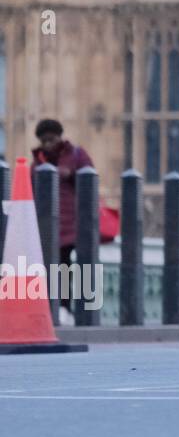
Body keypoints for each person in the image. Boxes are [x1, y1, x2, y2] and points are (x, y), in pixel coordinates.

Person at [31, 119, 94, 321]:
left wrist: (70, 174)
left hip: (77, 221)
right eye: (44, 140)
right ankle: (60, 309)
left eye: (51, 139)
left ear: (60, 136)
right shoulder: (37, 163)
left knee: (81, 266)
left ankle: (84, 309)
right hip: (50, 225)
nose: (48, 144)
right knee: (56, 268)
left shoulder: (76, 155)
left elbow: (90, 181)